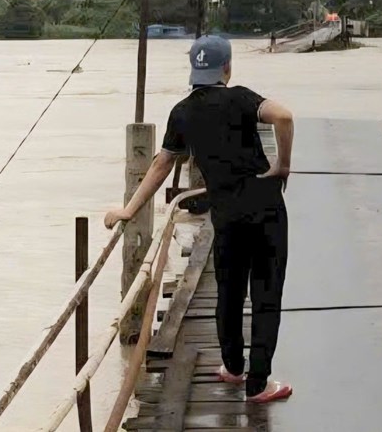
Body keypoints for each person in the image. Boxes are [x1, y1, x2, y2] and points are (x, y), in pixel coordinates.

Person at [104, 34, 295, 403]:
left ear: (193, 70)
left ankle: (233, 368)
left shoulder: (182, 112)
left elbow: (162, 164)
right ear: (227, 67)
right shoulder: (240, 97)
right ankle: (259, 384)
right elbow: (284, 116)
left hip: (226, 215)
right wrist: (282, 164)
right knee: (266, 294)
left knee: (229, 291)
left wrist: (129, 210)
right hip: (267, 209)